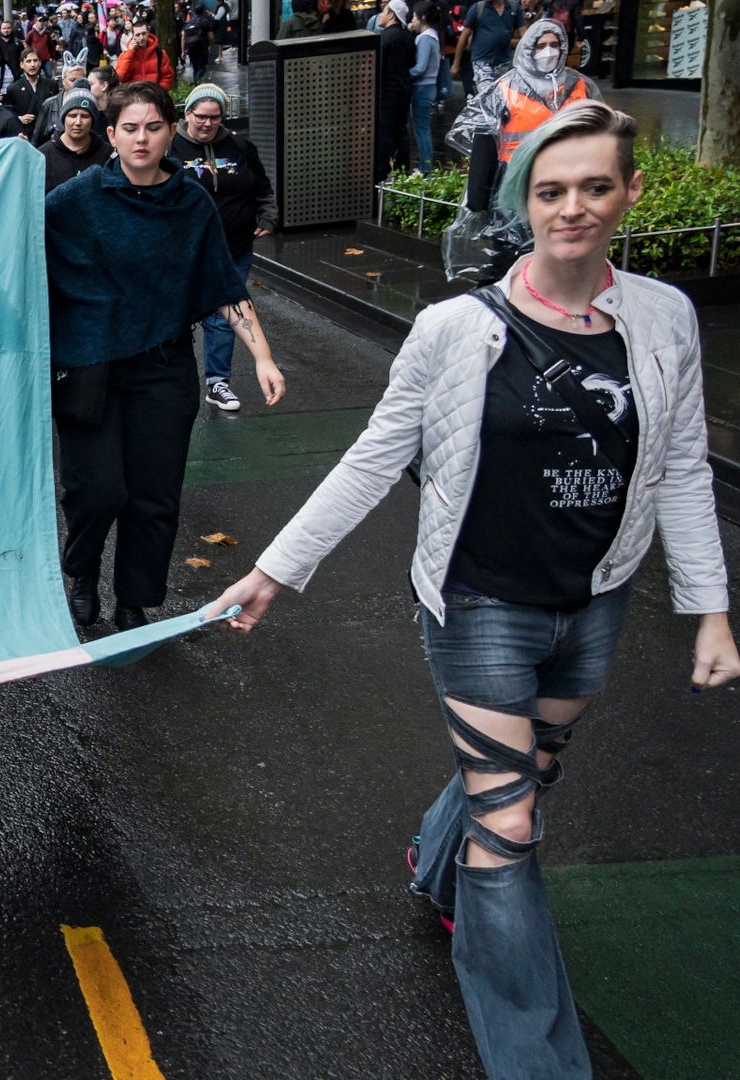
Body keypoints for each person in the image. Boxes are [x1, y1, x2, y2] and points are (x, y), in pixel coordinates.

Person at [207, 101, 736, 1080]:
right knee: (512, 821)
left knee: (535, 763)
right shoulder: (455, 330)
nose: (571, 207)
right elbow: (375, 458)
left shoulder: (665, 315)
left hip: (597, 596)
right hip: (480, 602)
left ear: (629, 194)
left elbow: (682, 469)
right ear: (520, 202)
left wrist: (710, 609)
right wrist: (277, 567)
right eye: (550, 190)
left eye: (593, 187)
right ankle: (537, 1062)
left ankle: (432, 859)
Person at [45, 81, 285, 630]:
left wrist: (263, 356)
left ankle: (134, 597)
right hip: (89, 369)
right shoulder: (78, 198)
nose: (141, 138)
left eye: (153, 127)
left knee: (153, 496)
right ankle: (83, 573)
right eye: (129, 128)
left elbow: (223, 283)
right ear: (111, 134)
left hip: (163, 369)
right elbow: (14, 240)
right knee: (97, 488)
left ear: (171, 133)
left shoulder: (190, 202)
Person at [445, 19, 598, 280]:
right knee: (508, 252)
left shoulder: (579, 86)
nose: (548, 51)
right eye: (541, 46)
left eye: (554, 45)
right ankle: (497, 302)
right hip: (514, 182)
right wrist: (479, 198)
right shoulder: (506, 88)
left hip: (568, 180)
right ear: (528, 49)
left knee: (556, 246)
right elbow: (485, 142)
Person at [173, 84, 278, 412]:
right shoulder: (170, 148)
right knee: (178, 313)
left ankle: (217, 382)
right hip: (186, 251)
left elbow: (262, 185)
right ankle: (172, 381)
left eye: (214, 118)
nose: (207, 123)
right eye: (201, 117)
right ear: (187, 114)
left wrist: (269, 215)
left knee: (227, 310)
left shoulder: (240, 145)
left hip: (234, 245)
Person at [376, 0, 419, 182]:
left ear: (391, 15)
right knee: (401, 132)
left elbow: (378, 66)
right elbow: (411, 62)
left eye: (384, 11)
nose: (381, 14)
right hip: (403, 91)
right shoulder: (407, 37)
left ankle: (382, 171)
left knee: (384, 132)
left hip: (386, 93)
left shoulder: (384, 38)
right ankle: (403, 169)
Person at [42, 86, 107, 192]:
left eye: (85, 116)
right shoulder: (45, 155)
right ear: (64, 118)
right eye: (72, 116)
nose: (78, 122)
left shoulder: (107, 154)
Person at [454, 0, 524, 93]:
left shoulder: (513, 8)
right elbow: (463, 37)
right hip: (481, 59)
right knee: (487, 93)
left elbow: (523, 32)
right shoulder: (478, 8)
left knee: (501, 95)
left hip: (503, 60)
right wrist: (456, 64)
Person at [410, 1, 444, 174]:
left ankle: (425, 169)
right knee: (423, 129)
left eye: (414, 17)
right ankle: (425, 168)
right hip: (428, 87)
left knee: (421, 130)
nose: (412, 21)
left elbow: (420, 67)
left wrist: (403, 74)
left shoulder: (425, 38)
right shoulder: (433, 36)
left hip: (422, 88)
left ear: (422, 18)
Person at [6, 50, 51, 142]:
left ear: (40, 63)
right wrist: (19, 119)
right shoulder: (13, 88)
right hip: (25, 133)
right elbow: (8, 114)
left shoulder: (51, 85)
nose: (33, 65)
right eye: (28, 61)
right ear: (22, 64)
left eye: (35, 60)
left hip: (47, 133)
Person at [183, 3, 216, 80]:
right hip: (202, 46)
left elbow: (183, 36)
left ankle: (196, 84)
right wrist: (210, 46)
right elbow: (211, 35)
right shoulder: (205, 21)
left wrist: (183, 50)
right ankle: (196, 82)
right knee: (202, 67)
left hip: (191, 47)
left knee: (195, 68)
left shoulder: (189, 22)